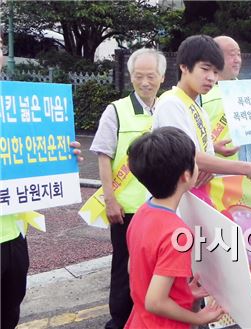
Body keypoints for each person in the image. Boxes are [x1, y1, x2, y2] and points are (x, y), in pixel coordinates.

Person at [0, 34, 83, 329]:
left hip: (14, 234)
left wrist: (63, 153)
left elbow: (28, 150)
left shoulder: (15, 105)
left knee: (10, 311)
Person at [90, 48, 166, 329]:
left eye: (151, 76)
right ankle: (120, 320)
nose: (145, 82)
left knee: (160, 269)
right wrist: (110, 200)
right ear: (130, 77)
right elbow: (103, 156)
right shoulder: (116, 111)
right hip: (128, 210)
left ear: (161, 77)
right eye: (138, 76)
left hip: (162, 209)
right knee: (124, 268)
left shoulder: (168, 108)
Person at [125, 126, 225, 328]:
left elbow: (133, 269)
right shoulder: (178, 235)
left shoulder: (142, 212)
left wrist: (182, 292)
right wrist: (199, 318)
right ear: (186, 175)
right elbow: (155, 302)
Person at [153, 35, 251, 187]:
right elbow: (187, 156)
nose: (211, 77)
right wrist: (248, 168)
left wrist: (209, 166)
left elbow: (203, 160)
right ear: (184, 66)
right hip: (171, 199)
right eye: (205, 69)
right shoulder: (172, 103)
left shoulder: (197, 109)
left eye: (216, 72)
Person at [201, 35, 251, 161]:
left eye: (239, 54)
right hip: (214, 177)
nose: (237, 60)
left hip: (248, 177)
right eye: (232, 55)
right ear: (215, 58)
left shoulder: (246, 93)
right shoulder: (201, 96)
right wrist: (211, 148)